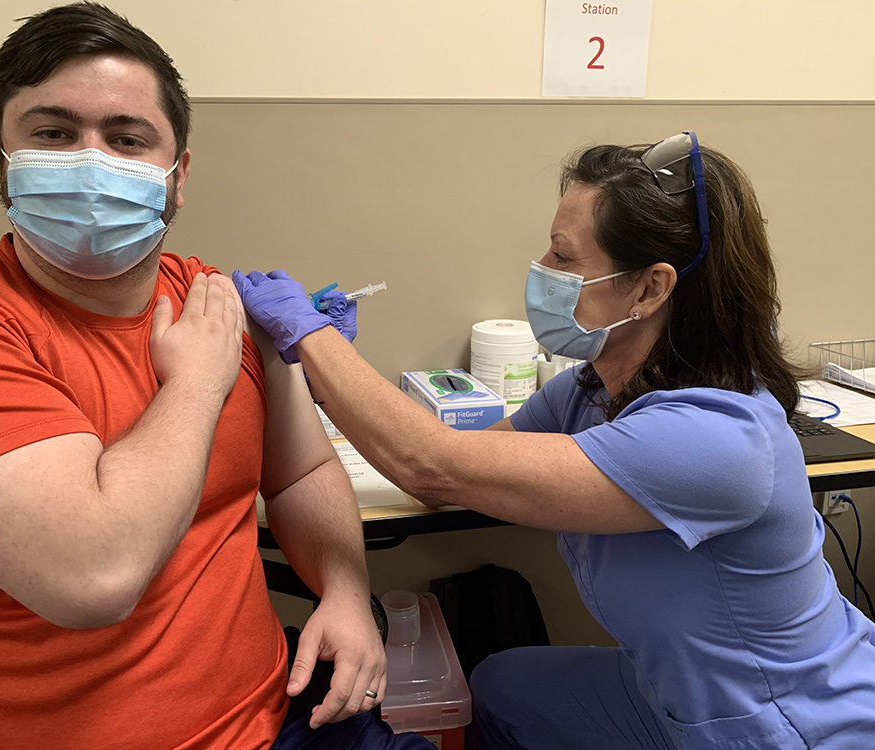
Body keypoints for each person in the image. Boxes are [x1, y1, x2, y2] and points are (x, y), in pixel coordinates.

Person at [0, 4, 435, 749]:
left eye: (128, 139)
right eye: (53, 134)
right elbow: (93, 577)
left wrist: (345, 590)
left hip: (272, 720)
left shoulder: (211, 299)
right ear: (2, 154)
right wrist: (197, 383)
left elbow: (300, 472)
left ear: (178, 176)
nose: (92, 161)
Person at [233, 131, 875, 749]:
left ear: (651, 287)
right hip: (671, 691)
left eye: (563, 258)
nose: (541, 272)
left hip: (784, 719)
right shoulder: (594, 389)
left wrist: (308, 340)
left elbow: (435, 467)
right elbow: (460, 469)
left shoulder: (716, 440)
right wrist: (324, 385)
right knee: (504, 688)